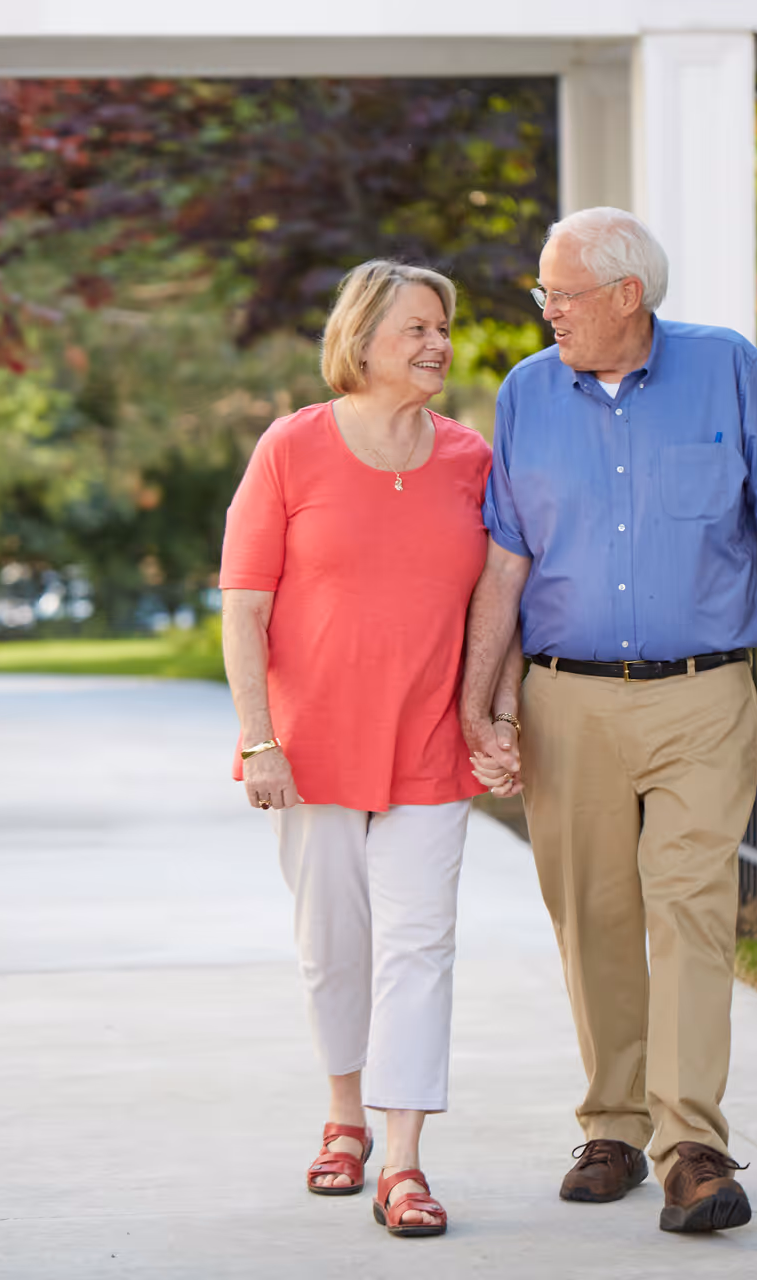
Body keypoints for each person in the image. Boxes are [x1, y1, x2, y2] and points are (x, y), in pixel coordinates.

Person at [461, 208, 757, 1234]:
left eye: (562, 292)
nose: (547, 311)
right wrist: (478, 695)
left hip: (701, 691)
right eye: (543, 293)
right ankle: (614, 1126)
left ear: (627, 294)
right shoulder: (526, 395)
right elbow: (506, 560)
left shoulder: (727, 371)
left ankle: (690, 1145)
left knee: (690, 909)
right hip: (565, 695)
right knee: (590, 916)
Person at [219, 259, 493, 1239]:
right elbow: (245, 608)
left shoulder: (471, 459)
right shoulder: (291, 448)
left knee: (419, 947)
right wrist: (259, 740)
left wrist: (493, 712)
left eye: (443, 327)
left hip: (428, 742)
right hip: (313, 745)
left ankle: (405, 1160)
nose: (437, 343)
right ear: (361, 338)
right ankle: (345, 1117)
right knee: (335, 945)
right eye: (416, 326)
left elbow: (499, 602)